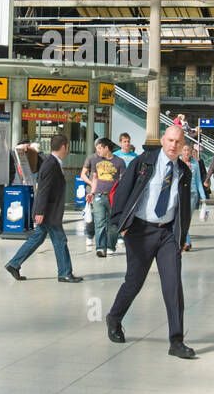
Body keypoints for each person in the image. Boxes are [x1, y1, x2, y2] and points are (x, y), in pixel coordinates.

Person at [106, 123, 196, 359]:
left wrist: (181, 235)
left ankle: (176, 341)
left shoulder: (184, 172)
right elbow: (123, 191)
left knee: (173, 285)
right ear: (163, 140)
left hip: (167, 234)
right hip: (139, 231)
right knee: (134, 282)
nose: (173, 146)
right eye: (170, 140)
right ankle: (114, 317)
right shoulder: (145, 162)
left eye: (178, 142)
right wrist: (120, 226)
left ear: (183, 145)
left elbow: (183, 207)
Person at [3, 134, 82, 282]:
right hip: (49, 212)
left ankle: (14, 264)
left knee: (37, 238)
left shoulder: (52, 162)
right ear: (64, 146)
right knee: (60, 240)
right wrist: (40, 211)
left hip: (48, 210)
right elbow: (44, 189)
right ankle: (65, 273)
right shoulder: (51, 164)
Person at [82, 137, 125, 258]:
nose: (98, 151)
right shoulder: (95, 161)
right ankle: (100, 248)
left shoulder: (119, 162)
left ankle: (111, 246)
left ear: (107, 148)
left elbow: (123, 179)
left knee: (113, 224)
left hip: (113, 196)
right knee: (99, 222)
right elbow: (95, 178)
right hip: (98, 195)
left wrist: (121, 196)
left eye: (100, 148)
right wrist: (92, 192)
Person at [181, 143, 206, 250]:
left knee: (187, 218)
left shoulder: (195, 163)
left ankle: (185, 240)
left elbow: (198, 180)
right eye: (185, 150)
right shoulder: (177, 163)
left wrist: (203, 197)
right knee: (182, 218)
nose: (186, 152)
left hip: (192, 194)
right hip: (181, 193)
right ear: (181, 151)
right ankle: (187, 241)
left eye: (188, 150)